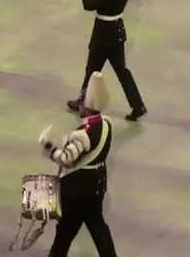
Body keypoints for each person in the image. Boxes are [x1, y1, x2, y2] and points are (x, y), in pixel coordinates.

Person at [66, 0, 147, 121]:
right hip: (117, 32)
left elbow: (89, 4)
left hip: (103, 36)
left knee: (92, 69)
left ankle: (83, 102)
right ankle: (137, 105)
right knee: (122, 71)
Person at [43, 72, 117, 257]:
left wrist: (50, 149)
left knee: (66, 230)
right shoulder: (107, 125)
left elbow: (67, 159)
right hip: (96, 186)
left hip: (77, 190)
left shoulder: (83, 133)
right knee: (98, 227)